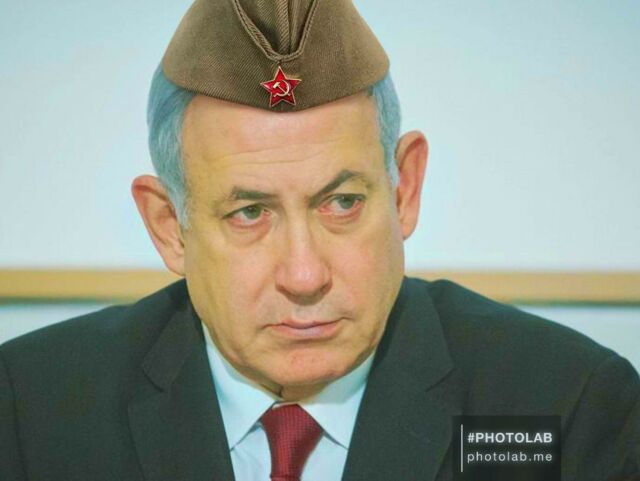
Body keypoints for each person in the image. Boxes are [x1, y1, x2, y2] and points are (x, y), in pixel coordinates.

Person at [1, 0, 638, 480]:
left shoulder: (570, 406)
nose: (305, 276)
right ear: (169, 228)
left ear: (404, 190)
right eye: (249, 213)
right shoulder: (29, 412)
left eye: (342, 203)